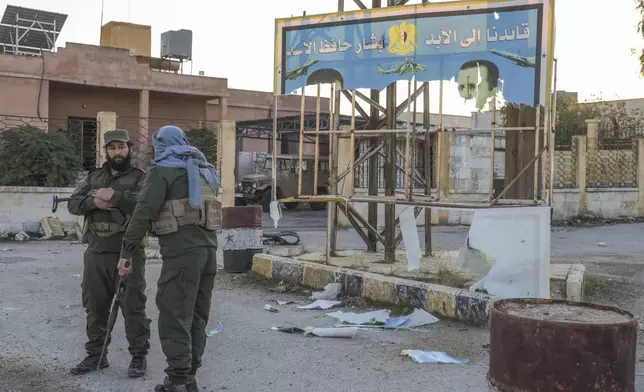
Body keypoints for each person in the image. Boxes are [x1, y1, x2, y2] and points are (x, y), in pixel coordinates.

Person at [117, 125, 220, 392]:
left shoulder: (164, 171)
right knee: (197, 315)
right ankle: (189, 376)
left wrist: (127, 250)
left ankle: (176, 380)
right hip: (208, 252)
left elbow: (144, 211)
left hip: (182, 254)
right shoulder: (204, 170)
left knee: (174, 313)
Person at [67, 129, 151, 378]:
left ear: (129, 148)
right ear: (106, 150)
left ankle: (138, 356)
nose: (117, 152)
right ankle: (96, 355)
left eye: (121, 147)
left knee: (132, 305)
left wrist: (115, 197)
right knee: (95, 304)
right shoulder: (95, 177)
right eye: (113, 148)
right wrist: (96, 202)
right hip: (97, 250)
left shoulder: (140, 178)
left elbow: (145, 204)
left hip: (129, 251)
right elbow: (73, 203)